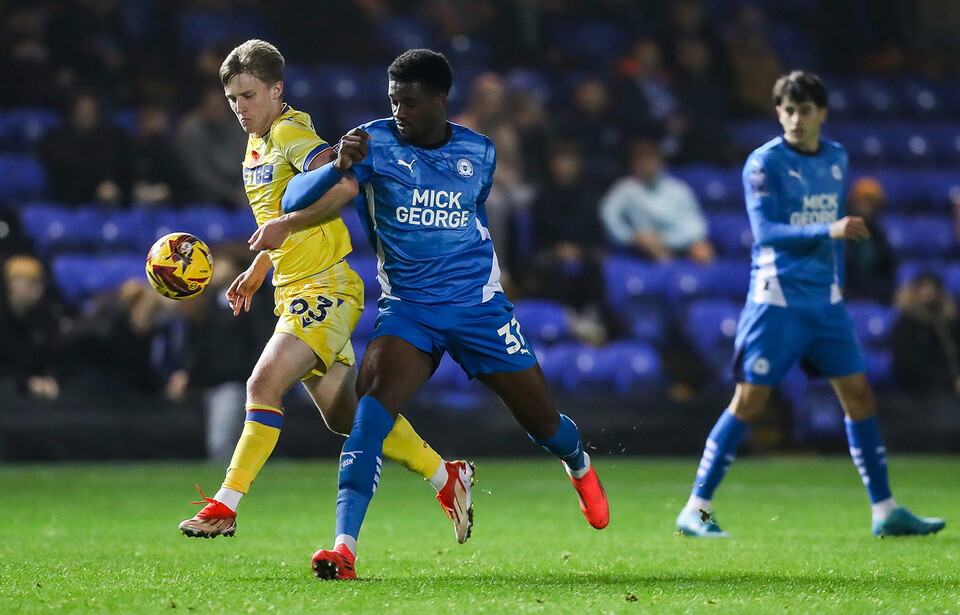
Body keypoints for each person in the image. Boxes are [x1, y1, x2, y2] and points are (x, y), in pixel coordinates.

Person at [281, 48, 610, 580]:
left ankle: (579, 465)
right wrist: (338, 166)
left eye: (409, 102)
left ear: (440, 101)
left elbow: (473, 217)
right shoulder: (370, 142)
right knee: (369, 412)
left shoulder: (479, 152)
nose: (399, 111)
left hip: (478, 309)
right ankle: (343, 549)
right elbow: (293, 195)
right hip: (409, 311)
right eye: (392, 100)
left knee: (543, 423)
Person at [177, 40, 473, 546]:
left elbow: (342, 183)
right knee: (346, 416)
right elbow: (284, 221)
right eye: (232, 100)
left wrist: (288, 220)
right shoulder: (256, 143)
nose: (240, 108)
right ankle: (447, 476)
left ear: (276, 89)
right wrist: (260, 265)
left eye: (248, 96)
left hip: (325, 286)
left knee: (262, 384)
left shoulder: (291, 132)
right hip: (294, 288)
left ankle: (225, 504)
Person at [675, 71, 944, 539]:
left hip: (826, 304)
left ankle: (885, 509)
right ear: (778, 113)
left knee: (859, 397)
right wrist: (829, 230)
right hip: (776, 302)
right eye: (787, 110)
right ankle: (695, 510)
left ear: (822, 113)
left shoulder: (836, 158)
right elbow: (767, 234)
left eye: (804, 110)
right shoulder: (763, 164)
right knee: (749, 403)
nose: (795, 119)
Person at [600, 139, 715, 263]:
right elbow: (608, 214)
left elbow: (695, 224)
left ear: (661, 162)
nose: (647, 165)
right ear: (633, 164)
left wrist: (668, 240)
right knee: (655, 251)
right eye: (642, 160)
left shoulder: (678, 188)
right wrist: (631, 237)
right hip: (642, 246)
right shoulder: (624, 189)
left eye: (651, 160)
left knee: (703, 251)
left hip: (679, 243)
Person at [0, 255, 65, 400]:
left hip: (39, 389)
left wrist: (49, 378)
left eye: (38, 282)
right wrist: (25, 382)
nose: (36, 288)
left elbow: (54, 356)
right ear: (12, 284)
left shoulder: (45, 316)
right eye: (29, 282)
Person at [891, 272, 960, 396]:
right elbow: (908, 363)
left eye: (932, 288)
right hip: (923, 392)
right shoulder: (906, 324)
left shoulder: (952, 321)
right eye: (923, 288)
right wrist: (949, 381)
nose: (927, 293)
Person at [843, 177, 897, 304]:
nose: (866, 206)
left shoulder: (879, 235)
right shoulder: (841, 230)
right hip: (847, 295)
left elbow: (887, 270)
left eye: (871, 201)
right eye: (862, 200)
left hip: (876, 295)